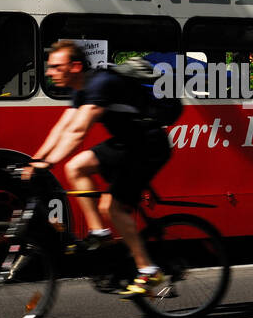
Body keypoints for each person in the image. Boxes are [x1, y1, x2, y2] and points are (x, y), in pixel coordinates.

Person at [24, 40, 172, 296]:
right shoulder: (80, 88)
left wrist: (47, 164)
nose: (49, 72)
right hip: (126, 144)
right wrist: (35, 160)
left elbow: (78, 133)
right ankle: (100, 233)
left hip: (148, 146)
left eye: (56, 67)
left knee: (111, 206)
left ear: (76, 66)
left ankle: (149, 271)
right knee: (76, 167)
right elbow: (62, 128)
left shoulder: (100, 85)